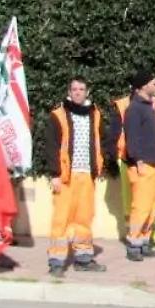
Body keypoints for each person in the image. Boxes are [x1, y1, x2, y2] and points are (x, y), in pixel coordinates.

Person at [43, 77, 107, 278]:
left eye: (81, 89)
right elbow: (51, 146)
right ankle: (56, 260)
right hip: (65, 176)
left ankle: (84, 258)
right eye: (74, 89)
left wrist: (99, 166)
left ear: (87, 92)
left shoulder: (95, 114)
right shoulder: (58, 115)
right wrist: (54, 174)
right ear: (69, 92)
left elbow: (100, 141)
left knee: (84, 218)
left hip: (87, 175)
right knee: (61, 219)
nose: (78, 92)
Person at [117, 71, 155, 262]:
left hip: (154, 164)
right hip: (143, 165)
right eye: (154, 84)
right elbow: (132, 137)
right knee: (140, 207)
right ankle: (134, 246)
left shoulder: (149, 107)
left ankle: (144, 243)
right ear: (143, 86)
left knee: (151, 207)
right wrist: (138, 160)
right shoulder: (134, 109)